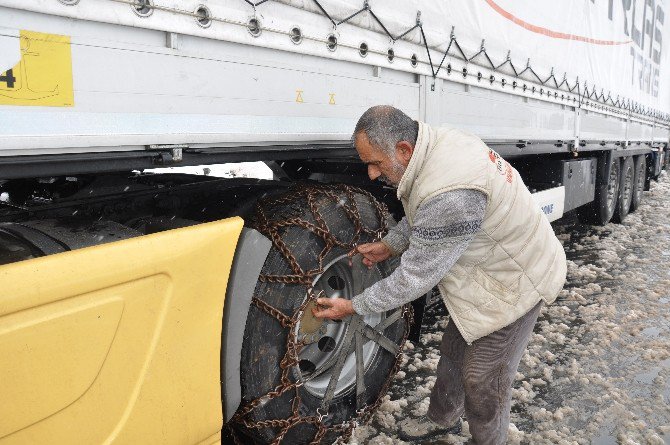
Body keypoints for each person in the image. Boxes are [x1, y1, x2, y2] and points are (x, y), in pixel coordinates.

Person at [312, 105, 567, 444]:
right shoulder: (434, 148)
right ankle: (442, 418)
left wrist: (355, 306)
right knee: (453, 351)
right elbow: (423, 210)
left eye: (376, 163)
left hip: (518, 279)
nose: (372, 174)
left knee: (482, 379)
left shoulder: (452, 194)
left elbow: (415, 278)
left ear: (403, 149)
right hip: (491, 265)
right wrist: (390, 245)